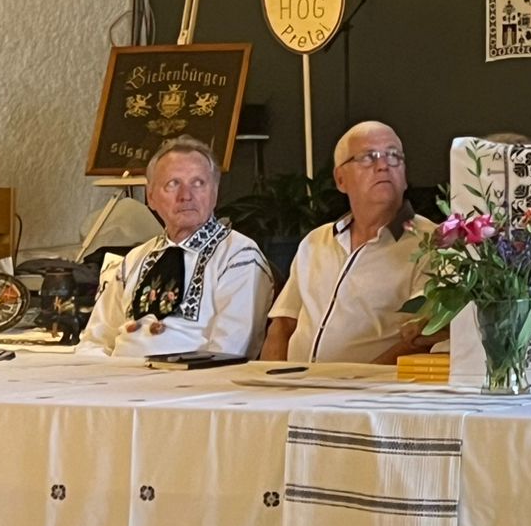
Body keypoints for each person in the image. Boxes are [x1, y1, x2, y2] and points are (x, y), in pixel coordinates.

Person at [80, 136, 273, 359]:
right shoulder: (134, 259)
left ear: (215, 193)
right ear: (150, 197)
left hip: (190, 378)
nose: (186, 196)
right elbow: (95, 339)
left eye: (198, 183)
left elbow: (229, 351)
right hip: (117, 374)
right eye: (173, 184)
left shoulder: (238, 255)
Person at [262, 120, 436, 365]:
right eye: (368, 157)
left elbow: (421, 338)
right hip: (295, 383)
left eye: (394, 156)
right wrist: (272, 381)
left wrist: (356, 382)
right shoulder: (316, 241)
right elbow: (282, 325)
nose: (383, 165)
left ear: (405, 176)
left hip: (376, 386)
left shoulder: (432, 243)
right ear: (340, 179)